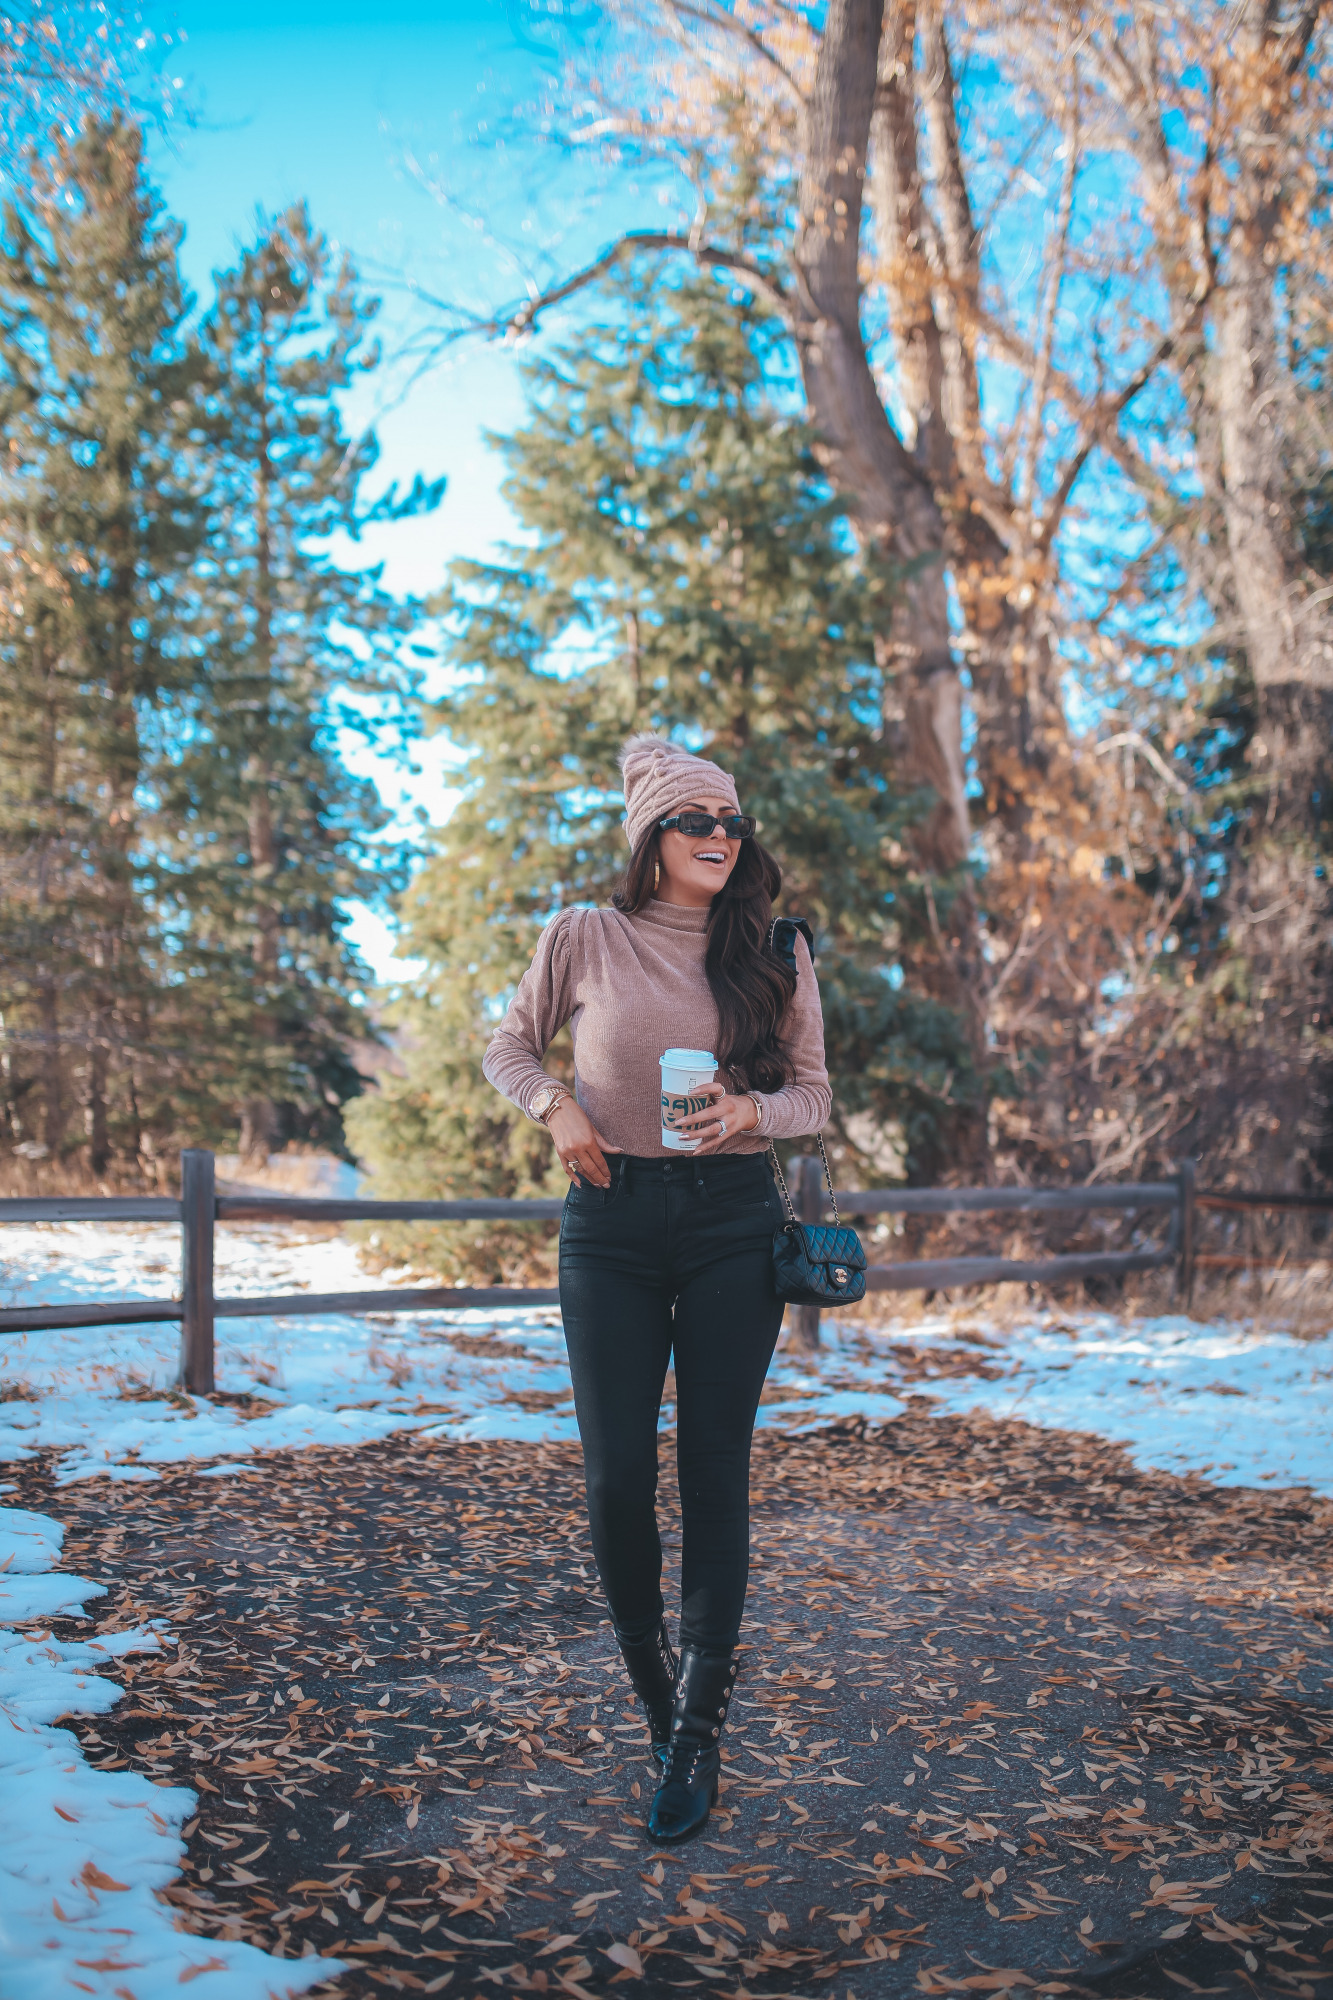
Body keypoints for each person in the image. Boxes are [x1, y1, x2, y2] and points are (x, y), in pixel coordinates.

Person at [482, 734, 831, 1842]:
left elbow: (814, 1093)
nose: (720, 838)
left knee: (711, 1470)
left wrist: (750, 1113)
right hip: (611, 1222)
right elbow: (506, 1045)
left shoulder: (773, 948)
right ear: (652, 837)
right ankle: (655, 1696)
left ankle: (696, 1732)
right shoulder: (583, 934)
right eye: (696, 821)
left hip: (732, 1219)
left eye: (731, 821)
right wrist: (557, 1107)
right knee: (617, 1475)